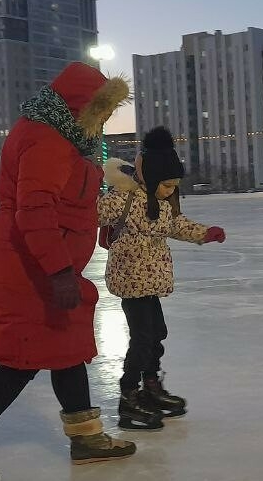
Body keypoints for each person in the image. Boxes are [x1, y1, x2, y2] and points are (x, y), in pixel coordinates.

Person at [0, 62, 133, 481]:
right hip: (28, 268)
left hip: (48, 264)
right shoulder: (45, 140)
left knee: (67, 350)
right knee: (20, 359)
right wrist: (60, 271)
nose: (102, 122)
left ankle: (86, 439)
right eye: (101, 112)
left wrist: (100, 227)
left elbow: (71, 201)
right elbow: (36, 211)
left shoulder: (61, 138)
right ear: (81, 107)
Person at [97, 127, 226, 431]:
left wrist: (204, 233)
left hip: (151, 281)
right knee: (141, 339)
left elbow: (176, 225)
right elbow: (94, 213)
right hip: (131, 282)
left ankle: (151, 386)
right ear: (152, 178)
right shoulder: (124, 198)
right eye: (166, 184)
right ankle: (128, 397)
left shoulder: (163, 204)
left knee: (157, 334)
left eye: (174, 185)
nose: (170, 190)